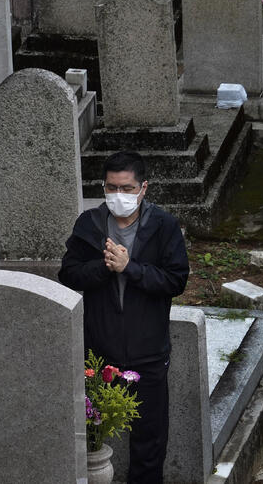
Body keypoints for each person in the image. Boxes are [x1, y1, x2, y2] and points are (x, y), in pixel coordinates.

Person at [59, 150, 189, 484]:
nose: (119, 195)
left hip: (147, 350)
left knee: (149, 437)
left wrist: (130, 268)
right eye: (112, 187)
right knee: (91, 432)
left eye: (127, 188)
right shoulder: (89, 224)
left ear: (143, 188)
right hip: (99, 350)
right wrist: (105, 267)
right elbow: (69, 274)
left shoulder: (163, 226)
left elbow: (175, 281)